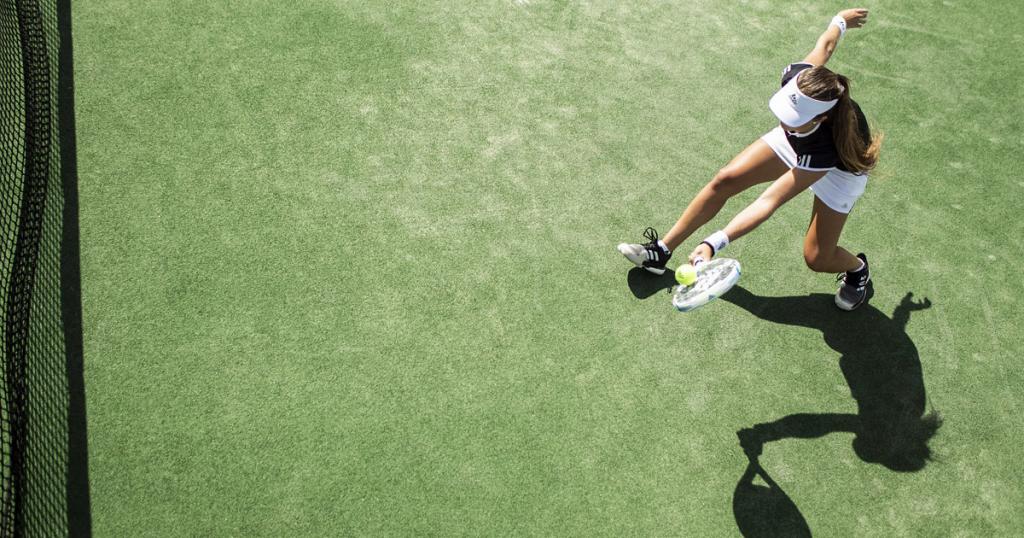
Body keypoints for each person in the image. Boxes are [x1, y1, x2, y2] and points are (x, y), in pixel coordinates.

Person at [618, 8, 882, 310]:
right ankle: (661, 251)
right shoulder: (802, 82)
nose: (783, 120)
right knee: (725, 179)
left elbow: (769, 201)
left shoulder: (827, 146)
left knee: (817, 258)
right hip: (801, 138)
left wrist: (713, 242)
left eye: (791, 117)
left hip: (838, 172)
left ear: (821, 118)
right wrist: (840, 21)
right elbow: (826, 45)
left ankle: (857, 269)